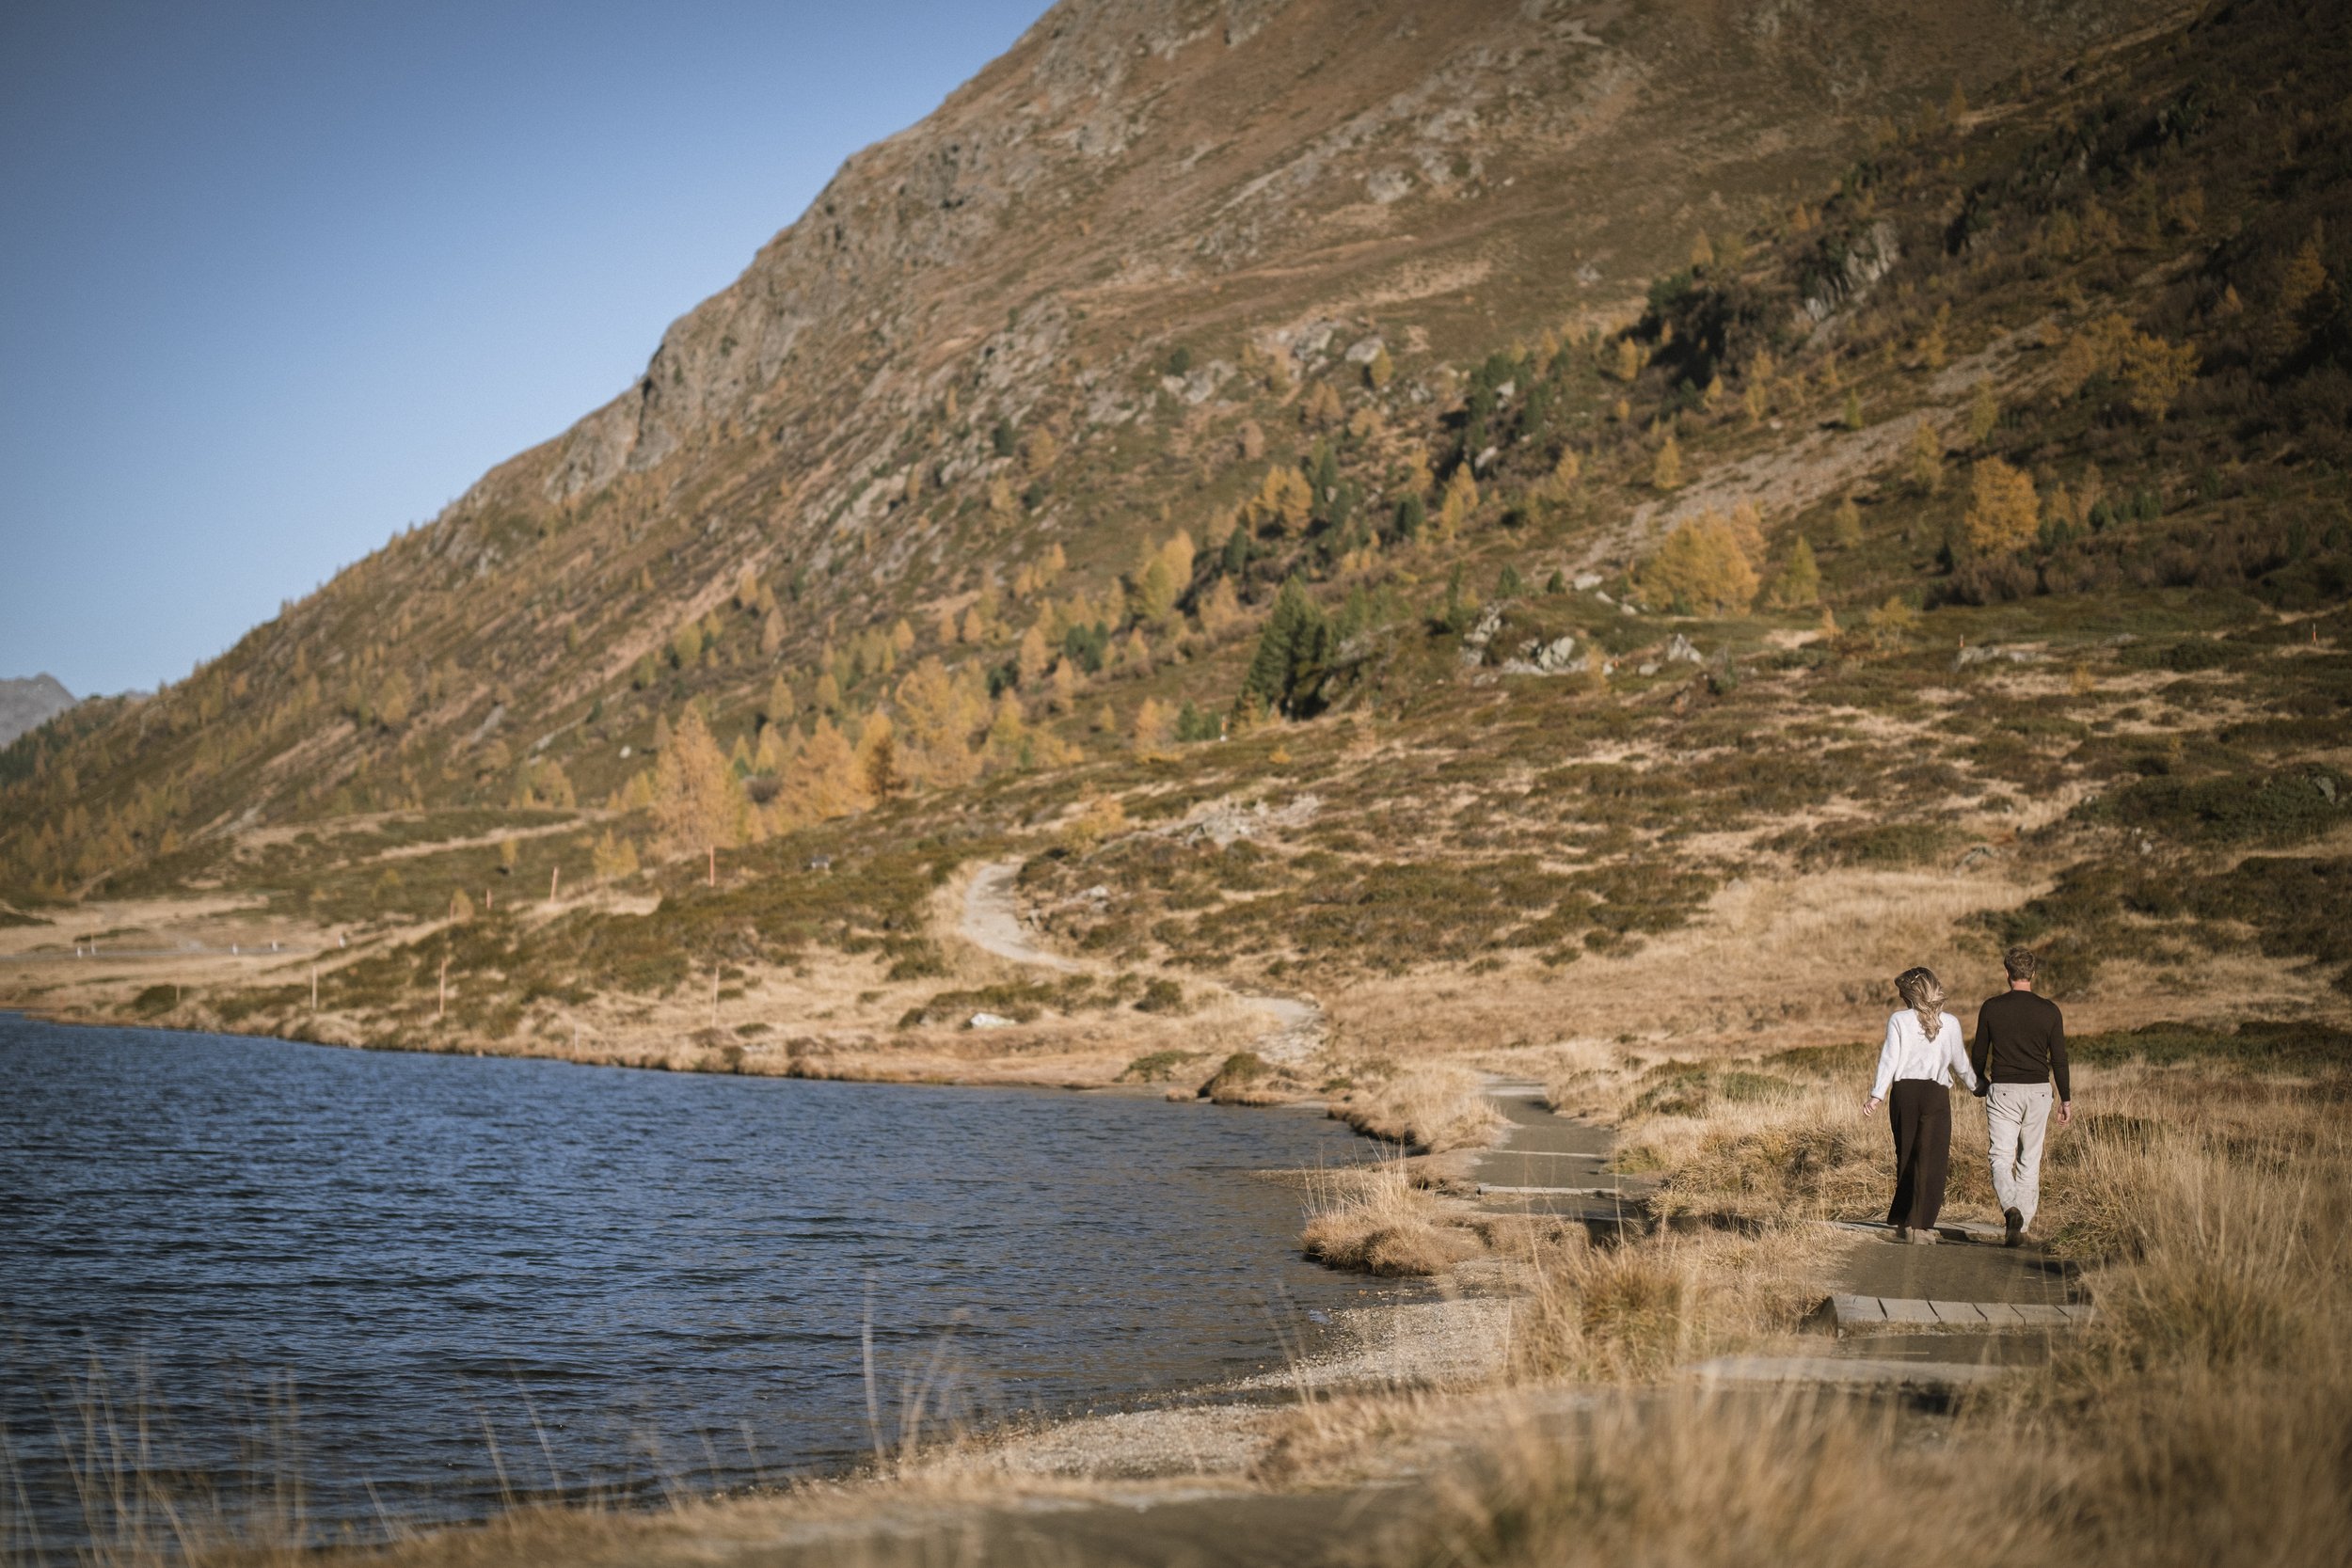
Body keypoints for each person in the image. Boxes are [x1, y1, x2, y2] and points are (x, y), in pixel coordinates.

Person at [1864, 966, 1981, 1243]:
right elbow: (1960, 1062)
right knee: (1933, 1159)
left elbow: (1889, 1059)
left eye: (1902, 993)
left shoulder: (1898, 1020)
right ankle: (1922, 1226)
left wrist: (1877, 1095)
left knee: (1906, 1156)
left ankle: (1906, 1224)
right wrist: (1978, 1087)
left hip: (1905, 1093)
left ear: (1910, 994)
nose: (1900, 998)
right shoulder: (1950, 1022)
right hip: (1935, 1094)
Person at [1971, 945, 2071, 1247]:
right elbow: (2060, 1059)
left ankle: (2011, 1209)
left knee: (2001, 1158)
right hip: (2040, 1091)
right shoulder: (2050, 1010)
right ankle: (2022, 1229)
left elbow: (1979, 1051)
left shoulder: (1991, 1008)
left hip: (2003, 1089)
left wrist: (1979, 1081)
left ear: (2007, 974)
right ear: (2033, 974)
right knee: (2030, 1161)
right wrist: (2065, 1098)